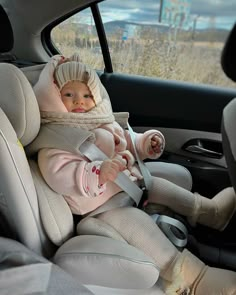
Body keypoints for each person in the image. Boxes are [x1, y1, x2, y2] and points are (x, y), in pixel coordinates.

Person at [32, 54, 236, 294]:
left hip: (128, 187)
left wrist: (145, 143)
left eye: (87, 95)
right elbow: (59, 173)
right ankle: (195, 278)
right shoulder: (56, 138)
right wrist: (96, 172)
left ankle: (209, 212)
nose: (80, 101)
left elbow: (127, 138)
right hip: (100, 209)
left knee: (158, 185)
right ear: (54, 98)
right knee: (137, 224)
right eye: (69, 94)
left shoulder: (100, 121)